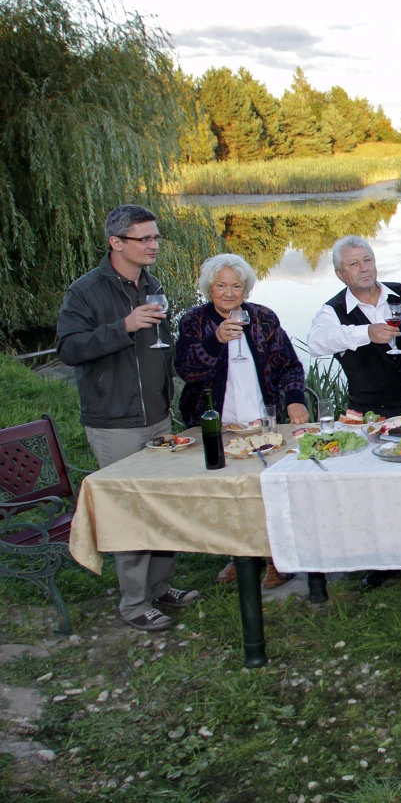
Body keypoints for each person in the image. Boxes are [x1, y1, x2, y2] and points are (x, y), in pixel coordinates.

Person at [56, 204, 198, 632]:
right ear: (117, 243)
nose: (154, 245)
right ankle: (134, 603)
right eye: (145, 239)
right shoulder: (86, 291)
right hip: (114, 420)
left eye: (156, 237)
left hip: (157, 416)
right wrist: (123, 327)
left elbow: (161, 346)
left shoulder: (151, 284)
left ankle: (160, 588)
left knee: (159, 506)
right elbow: (69, 349)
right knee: (130, 510)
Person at [175, 253, 309, 590]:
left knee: (265, 490)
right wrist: (215, 339)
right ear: (209, 288)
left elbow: (290, 366)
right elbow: (187, 371)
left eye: (236, 286)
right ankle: (240, 555)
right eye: (221, 285)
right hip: (217, 425)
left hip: (262, 423)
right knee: (228, 492)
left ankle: (275, 559)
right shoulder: (193, 321)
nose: (229, 292)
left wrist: (294, 400)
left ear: (245, 289)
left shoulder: (263, 318)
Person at [307, 235, 401, 418]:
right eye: (353, 264)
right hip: (369, 417)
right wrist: (366, 333)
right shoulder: (333, 311)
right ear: (340, 274)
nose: (364, 269)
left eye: (367, 260)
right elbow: (315, 342)